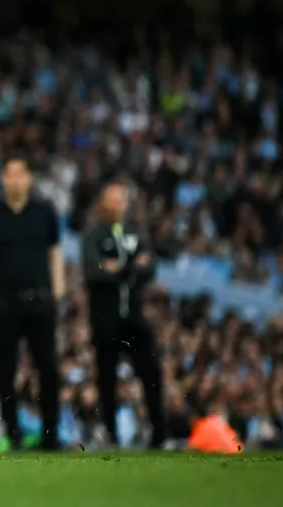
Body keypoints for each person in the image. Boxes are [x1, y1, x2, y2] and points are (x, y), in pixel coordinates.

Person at [0, 156, 64, 451]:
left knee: (47, 367)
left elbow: (55, 252)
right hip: (3, 304)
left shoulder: (44, 213)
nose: (16, 179)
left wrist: (57, 290)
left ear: (30, 178)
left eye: (21, 173)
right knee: (5, 370)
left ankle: (51, 433)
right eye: (10, 174)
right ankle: (13, 432)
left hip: (39, 300)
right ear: (3, 178)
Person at [81, 181, 167, 449]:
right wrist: (130, 268)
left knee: (151, 370)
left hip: (133, 314)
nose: (117, 205)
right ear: (102, 203)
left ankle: (159, 432)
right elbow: (93, 270)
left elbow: (150, 267)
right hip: (104, 316)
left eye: (121, 199)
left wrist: (118, 268)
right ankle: (110, 432)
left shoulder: (135, 233)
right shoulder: (93, 234)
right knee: (106, 374)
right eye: (112, 199)